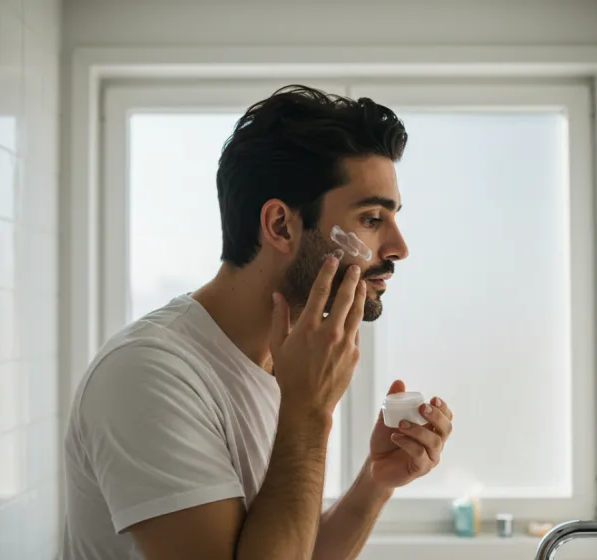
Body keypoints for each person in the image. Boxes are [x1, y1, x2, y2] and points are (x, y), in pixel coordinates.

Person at [61, 85, 453, 560]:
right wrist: (309, 415)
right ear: (281, 226)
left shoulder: (280, 363)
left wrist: (375, 482)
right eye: (372, 218)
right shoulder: (148, 375)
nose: (398, 248)